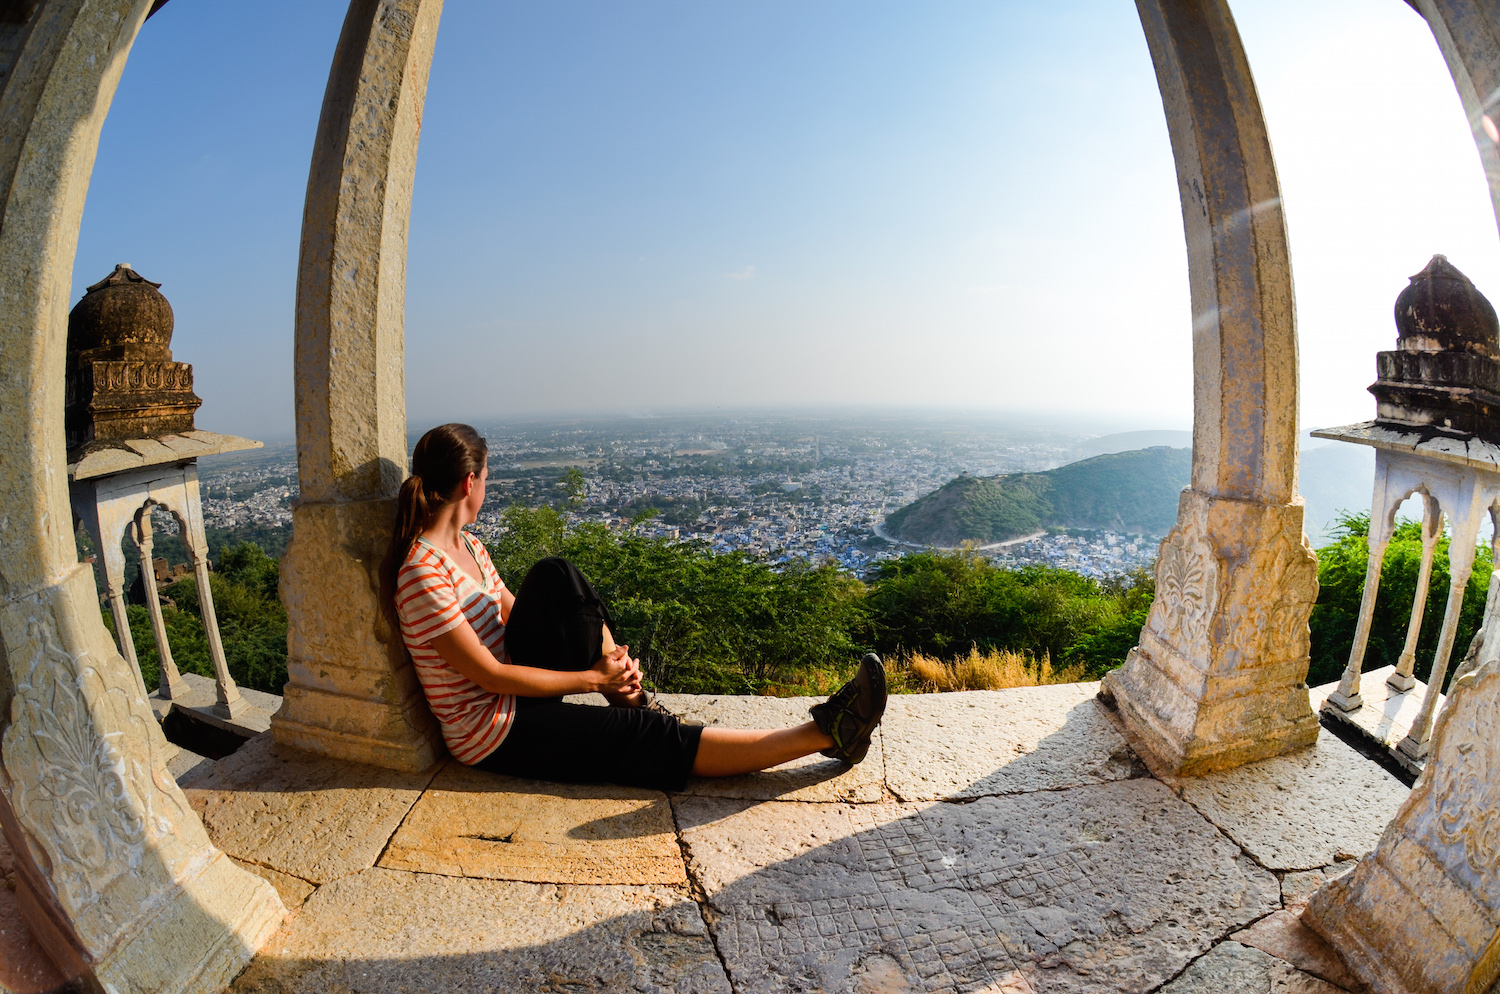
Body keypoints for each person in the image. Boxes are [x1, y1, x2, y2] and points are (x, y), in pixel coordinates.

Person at [379, 422, 887, 792]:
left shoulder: (469, 547)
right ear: (470, 483)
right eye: (487, 478)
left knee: (556, 573)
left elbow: (516, 612)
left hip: (519, 688)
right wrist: (590, 682)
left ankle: (628, 691)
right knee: (648, 738)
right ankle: (827, 733)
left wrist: (608, 662)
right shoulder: (422, 572)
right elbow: (488, 676)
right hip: (492, 730)